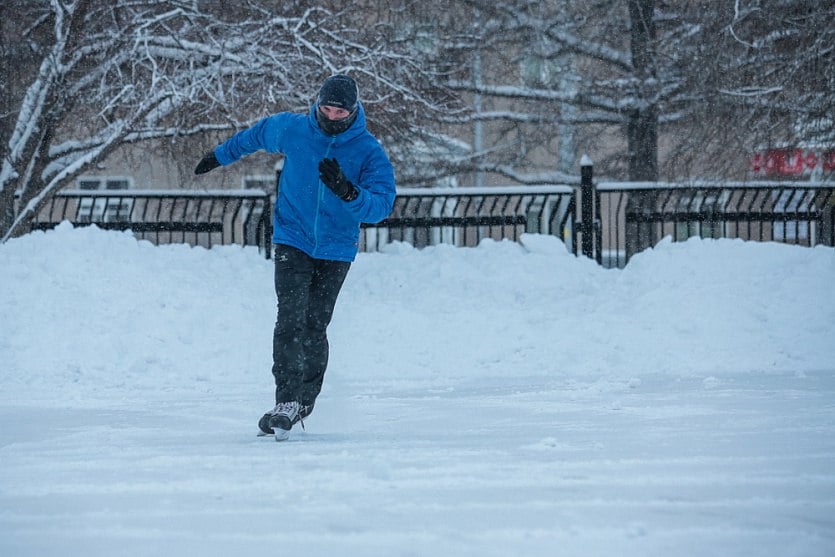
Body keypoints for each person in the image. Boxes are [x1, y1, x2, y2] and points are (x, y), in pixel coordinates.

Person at [194, 75, 396, 440]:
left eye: (340, 111)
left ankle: (304, 400)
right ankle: (286, 400)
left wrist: (348, 193)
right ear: (317, 104)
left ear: (353, 111)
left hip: (336, 247)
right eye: (326, 109)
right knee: (290, 317)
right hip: (292, 237)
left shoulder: (367, 151)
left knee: (314, 324)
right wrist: (218, 156)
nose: (332, 117)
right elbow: (254, 136)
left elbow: (382, 205)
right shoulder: (293, 129)